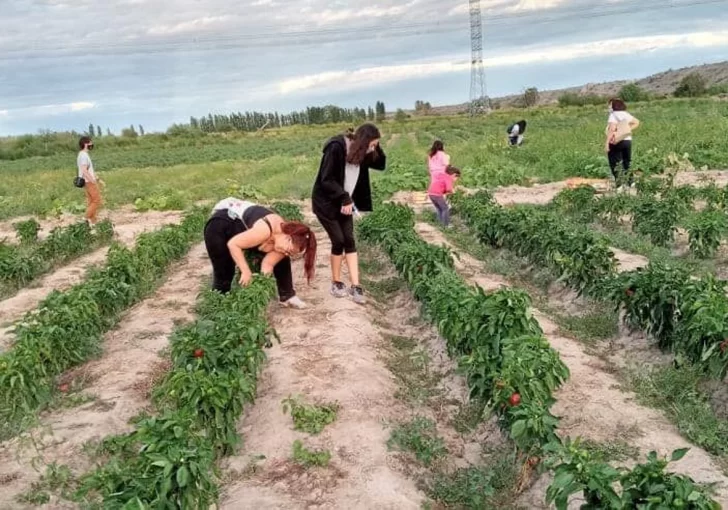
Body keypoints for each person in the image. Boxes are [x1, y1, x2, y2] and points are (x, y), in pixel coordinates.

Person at [312, 123, 386, 305]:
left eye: (374, 145)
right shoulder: (336, 147)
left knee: (349, 240)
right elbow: (326, 179)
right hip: (326, 203)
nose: (373, 148)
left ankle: (356, 285)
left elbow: (381, 164)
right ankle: (336, 282)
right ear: (363, 142)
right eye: (372, 144)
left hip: (345, 202)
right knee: (338, 240)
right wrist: (344, 198)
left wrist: (375, 144)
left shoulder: (362, 152)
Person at [203, 198, 317, 309]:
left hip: (243, 228)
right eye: (289, 251)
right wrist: (246, 271)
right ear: (288, 237)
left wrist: (261, 286)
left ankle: (288, 296)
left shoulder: (282, 240)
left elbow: (268, 264)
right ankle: (217, 306)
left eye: (291, 253)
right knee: (224, 270)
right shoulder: (264, 230)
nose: (287, 253)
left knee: (282, 259)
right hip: (221, 225)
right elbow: (234, 244)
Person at [605, 98, 640, 189]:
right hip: (627, 140)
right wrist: (626, 130)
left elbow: (612, 129)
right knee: (626, 162)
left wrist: (607, 143)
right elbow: (637, 122)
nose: (609, 107)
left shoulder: (613, 115)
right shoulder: (625, 114)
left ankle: (619, 185)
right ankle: (631, 182)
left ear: (613, 106)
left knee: (615, 163)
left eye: (610, 105)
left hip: (616, 141)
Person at [77, 136, 104, 226]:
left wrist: (98, 179)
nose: (91, 144)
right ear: (85, 144)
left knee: (91, 201)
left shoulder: (81, 154)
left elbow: (87, 170)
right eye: (90, 143)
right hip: (88, 182)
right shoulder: (84, 155)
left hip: (86, 182)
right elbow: (84, 170)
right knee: (97, 201)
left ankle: (93, 222)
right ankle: (85, 218)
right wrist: (92, 180)